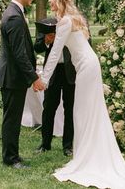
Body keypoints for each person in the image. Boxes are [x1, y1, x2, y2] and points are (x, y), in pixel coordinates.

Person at [33, 0, 125, 188]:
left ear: (60, 0)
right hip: (90, 65)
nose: (50, 2)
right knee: (88, 112)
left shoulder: (65, 21)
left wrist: (44, 79)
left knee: (82, 112)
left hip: (86, 68)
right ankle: (89, 154)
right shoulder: (76, 18)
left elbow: (54, 53)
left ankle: (87, 159)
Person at [0, 0, 45, 169]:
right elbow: (19, 54)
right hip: (12, 77)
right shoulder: (14, 16)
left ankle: (13, 155)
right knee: (11, 119)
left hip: (13, 77)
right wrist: (34, 78)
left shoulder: (15, 12)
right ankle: (10, 159)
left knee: (13, 118)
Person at [34, 17, 76, 156]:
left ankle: (68, 146)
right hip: (52, 73)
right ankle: (45, 144)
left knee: (69, 109)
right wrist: (47, 40)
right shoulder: (47, 23)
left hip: (70, 71)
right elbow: (38, 47)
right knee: (49, 108)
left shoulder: (73, 21)